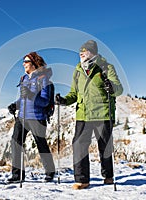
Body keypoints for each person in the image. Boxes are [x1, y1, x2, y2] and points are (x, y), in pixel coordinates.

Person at [56, 40, 123, 190]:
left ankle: (108, 176)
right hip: (83, 114)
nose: (81, 53)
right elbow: (74, 93)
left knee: (104, 147)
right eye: (80, 51)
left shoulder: (106, 67)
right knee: (78, 145)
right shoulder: (78, 70)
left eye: (85, 51)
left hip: (103, 113)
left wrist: (111, 87)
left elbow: (119, 90)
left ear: (93, 53)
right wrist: (64, 100)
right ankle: (82, 180)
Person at [7, 52, 55, 183]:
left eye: (26, 61)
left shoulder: (43, 79)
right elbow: (23, 98)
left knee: (41, 144)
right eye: (24, 61)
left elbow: (44, 101)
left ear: (34, 63)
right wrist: (15, 105)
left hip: (37, 117)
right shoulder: (24, 79)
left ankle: (50, 172)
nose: (23, 64)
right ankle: (17, 175)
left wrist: (30, 95)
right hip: (22, 117)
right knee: (16, 143)